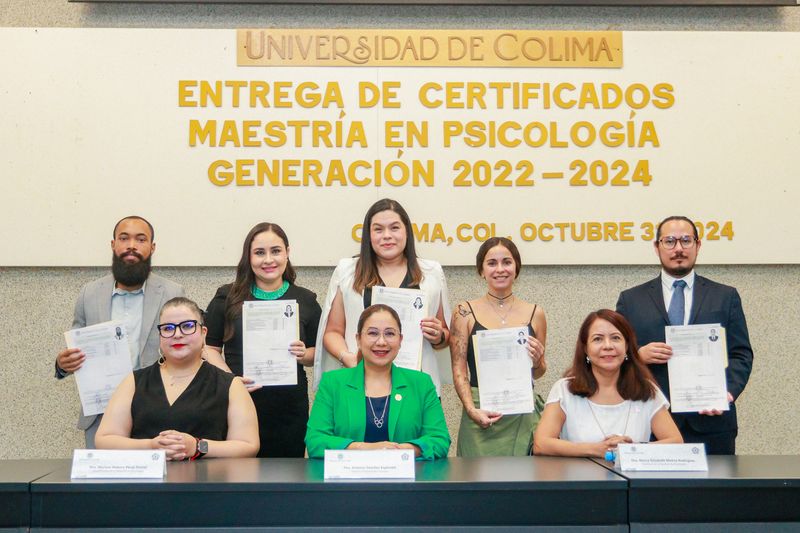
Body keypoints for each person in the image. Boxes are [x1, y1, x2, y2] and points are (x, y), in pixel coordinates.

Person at [616, 215, 754, 454]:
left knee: (713, 492)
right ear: (656, 247)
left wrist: (727, 392)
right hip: (650, 422)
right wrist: (637, 355)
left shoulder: (725, 296)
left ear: (698, 246)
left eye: (686, 240)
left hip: (712, 422)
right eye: (669, 241)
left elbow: (740, 354)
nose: (678, 248)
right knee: (656, 493)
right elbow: (614, 356)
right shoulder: (631, 300)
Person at [54, 216, 184, 447]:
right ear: (113, 244)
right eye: (124, 238)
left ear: (152, 247)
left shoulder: (173, 293)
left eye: (140, 239)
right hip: (102, 415)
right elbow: (76, 346)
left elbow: (186, 351)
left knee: (159, 482)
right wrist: (63, 364)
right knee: (103, 484)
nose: (131, 245)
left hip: (156, 412)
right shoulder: (89, 293)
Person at [204, 222, 322, 457]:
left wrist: (304, 354)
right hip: (237, 402)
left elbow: (318, 353)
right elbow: (208, 348)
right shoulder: (226, 297)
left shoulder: (306, 300)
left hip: (288, 408)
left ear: (287, 253)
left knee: (286, 480)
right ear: (248, 257)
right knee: (237, 479)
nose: (268, 260)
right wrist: (231, 380)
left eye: (276, 251)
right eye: (259, 252)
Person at [314, 199, 451, 394]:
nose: (387, 236)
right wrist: (348, 358)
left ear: (407, 232)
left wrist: (439, 336)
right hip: (360, 385)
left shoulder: (431, 272)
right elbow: (333, 331)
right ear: (368, 235)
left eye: (394, 228)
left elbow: (445, 335)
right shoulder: (347, 271)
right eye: (378, 229)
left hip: (416, 387)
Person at [95, 297, 259, 459]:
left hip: (208, 483)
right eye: (168, 328)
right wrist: (150, 446)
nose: (177, 334)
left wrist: (197, 446)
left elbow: (248, 445)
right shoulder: (134, 381)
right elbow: (104, 440)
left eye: (187, 326)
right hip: (146, 483)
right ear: (160, 335)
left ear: (203, 333)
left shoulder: (230, 385)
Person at [306, 304, 450, 459]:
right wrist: (363, 448)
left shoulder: (421, 383)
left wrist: (404, 450)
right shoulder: (332, 383)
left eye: (390, 334)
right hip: (348, 481)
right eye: (373, 333)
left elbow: (440, 440)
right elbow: (316, 441)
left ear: (400, 340)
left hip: (406, 480)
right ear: (358, 340)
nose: (381, 342)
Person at [533, 309, 682, 458]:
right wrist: (597, 449)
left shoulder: (646, 389)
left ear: (627, 347)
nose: (607, 346)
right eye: (598, 339)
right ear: (585, 348)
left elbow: (676, 442)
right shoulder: (564, 390)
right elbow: (541, 444)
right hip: (579, 479)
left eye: (616, 338)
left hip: (633, 480)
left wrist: (632, 450)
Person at [450, 237, 547, 456]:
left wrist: (539, 360)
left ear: (517, 268)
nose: (500, 269)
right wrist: (470, 408)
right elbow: (458, 369)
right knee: (474, 484)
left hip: (520, 415)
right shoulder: (463, 312)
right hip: (479, 411)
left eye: (507, 262)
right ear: (481, 270)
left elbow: (539, 372)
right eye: (492, 263)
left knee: (521, 483)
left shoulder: (536, 313)